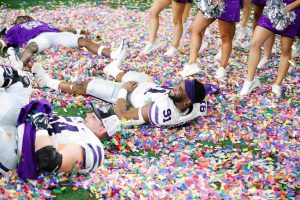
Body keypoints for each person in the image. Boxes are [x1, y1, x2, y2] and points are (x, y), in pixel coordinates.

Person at [32, 60, 220, 132]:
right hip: (148, 85)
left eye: (179, 89)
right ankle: (112, 69)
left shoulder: (159, 110)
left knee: (85, 86)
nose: (174, 88)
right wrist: (210, 87)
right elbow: (203, 93)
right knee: (130, 75)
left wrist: (123, 91)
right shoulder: (197, 105)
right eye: (178, 85)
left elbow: (122, 117)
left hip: (130, 94)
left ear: (186, 100)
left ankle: (48, 82)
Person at [0, 64, 116, 179]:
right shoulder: (79, 122)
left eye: (94, 117)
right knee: (22, 82)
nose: (89, 114)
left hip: (14, 150)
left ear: (102, 130)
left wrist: (41, 128)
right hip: (15, 126)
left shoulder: (94, 148)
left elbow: (49, 162)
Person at [0, 16, 128, 68]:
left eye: (25, 17)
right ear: (16, 22)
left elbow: (62, 29)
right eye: (20, 19)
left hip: (55, 35)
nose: (23, 19)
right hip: (39, 38)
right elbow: (5, 42)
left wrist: (81, 31)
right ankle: (18, 67)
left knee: (83, 41)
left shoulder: (40, 22)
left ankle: (113, 54)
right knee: (32, 47)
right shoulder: (14, 29)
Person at [240, 0, 300, 97]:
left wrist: (289, 7)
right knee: (255, 43)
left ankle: (277, 84)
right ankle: (249, 81)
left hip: (293, 11)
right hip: (274, 7)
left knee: (285, 50)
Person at [179, 0, 240, 78]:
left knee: (225, 36)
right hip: (210, 1)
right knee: (195, 29)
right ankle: (192, 64)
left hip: (228, 3)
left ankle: (222, 67)